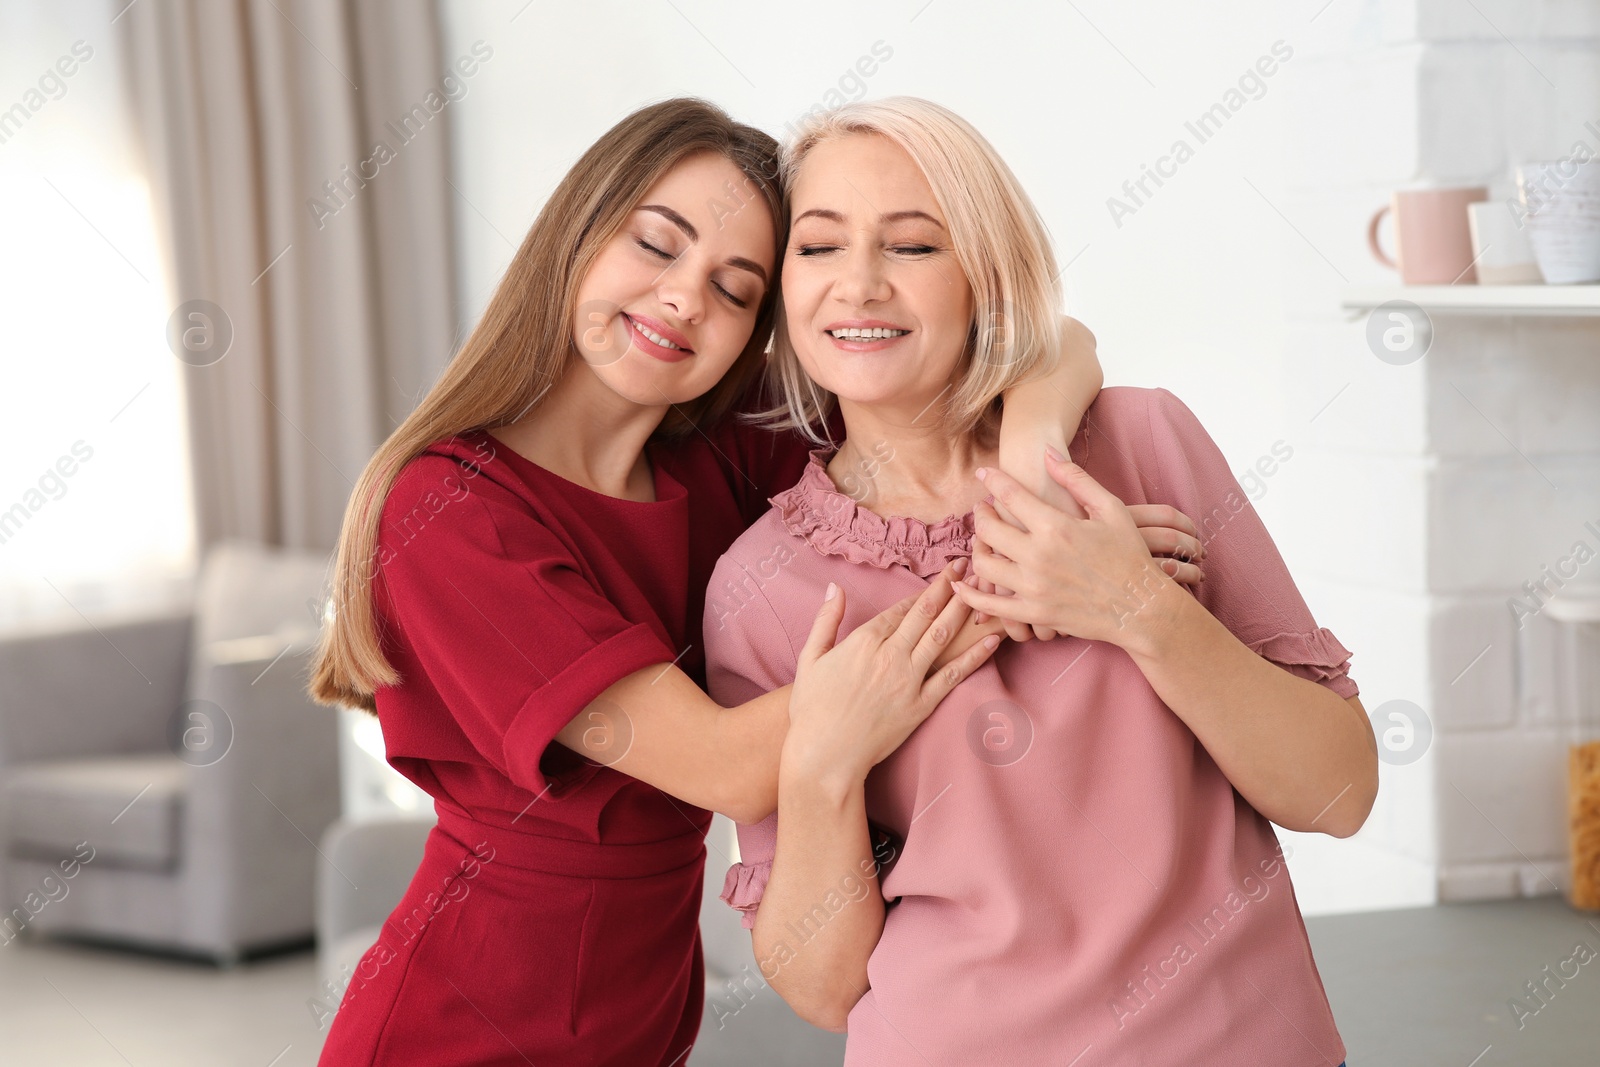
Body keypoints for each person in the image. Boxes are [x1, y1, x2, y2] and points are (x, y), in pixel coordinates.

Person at [306, 98, 1190, 1065]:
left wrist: (1028, 472)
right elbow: (723, 764)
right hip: (466, 1016)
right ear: (575, 236)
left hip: (642, 1008)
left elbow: (1051, 341)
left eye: (735, 289)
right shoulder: (445, 508)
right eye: (656, 245)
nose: (686, 299)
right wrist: (1044, 573)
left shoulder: (722, 457)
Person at [707, 97, 1376, 1066]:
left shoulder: (1141, 445)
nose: (858, 284)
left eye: (913, 246)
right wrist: (822, 762)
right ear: (780, 290)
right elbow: (821, 988)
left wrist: (1138, 609)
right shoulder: (758, 586)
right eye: (817, 248)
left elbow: (1338, 790)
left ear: (985, 274)